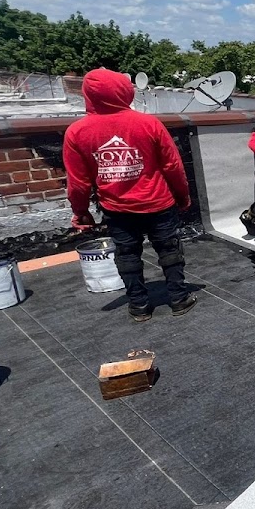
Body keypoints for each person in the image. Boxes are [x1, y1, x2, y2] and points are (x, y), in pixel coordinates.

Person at [63, 68, 196, 322]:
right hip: (158, 203)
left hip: (117, 209)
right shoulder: (148, 124)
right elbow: (173, 166)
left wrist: (80, 212)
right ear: (124, 91)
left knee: (127, 255)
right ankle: (179, 299)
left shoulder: (77, 132)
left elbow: (78, 182)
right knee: (169, 250)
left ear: (88, 96)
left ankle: (139, 305)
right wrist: (182, 197)